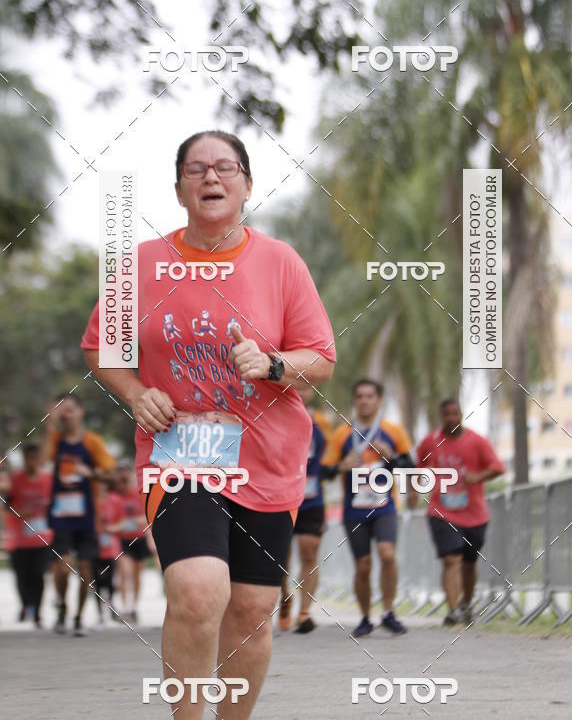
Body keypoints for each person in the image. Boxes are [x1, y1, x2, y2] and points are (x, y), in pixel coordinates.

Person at [81, 130, 336, 718]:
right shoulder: (140, 264)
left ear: (247, 184)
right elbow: (101, 347)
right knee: (197, 593)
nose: (211, 179)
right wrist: (136, 391)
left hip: (266, 461)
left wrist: (273, 364)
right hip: (179, 454)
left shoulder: (280, 262)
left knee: (249, 612)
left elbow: (320, 359)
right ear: (178, 190)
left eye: (226, 168)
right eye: (196, 170)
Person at [321, 379, 413, 637]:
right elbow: (324, 471)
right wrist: (340, 467)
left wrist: (391, 459)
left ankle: (388, 612)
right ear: (355, 400)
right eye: (360, 396)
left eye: (370, 396)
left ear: (379, 400)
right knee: (362, 565)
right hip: (355, 510)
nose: (364, 401)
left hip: (384, 506)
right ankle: (364, 618)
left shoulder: (392, 431)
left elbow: (411, 467)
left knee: (387, 554)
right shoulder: (342, 434)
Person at [414, 397, 505, 625]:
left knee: (468, 562)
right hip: (442, 512)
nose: (451, 418)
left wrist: (477, 477)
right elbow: (419, 468)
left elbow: (498, 467)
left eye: (455, 413)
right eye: (447, 414)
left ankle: (466, 603)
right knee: (451, 559)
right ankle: (453, 610)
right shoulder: (430, 441)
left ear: (461, 414)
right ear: (441, 417)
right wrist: (416, 490)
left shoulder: (477, 442)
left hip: (475, 514)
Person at [41, 392, 116, 636]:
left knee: (85, 571)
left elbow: (111, 475)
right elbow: (42, 461)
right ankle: (62, 607)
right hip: (62, 517)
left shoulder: (92, 442)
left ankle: (78, 617)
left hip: (87, 518)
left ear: (80, 412)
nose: (66, 414)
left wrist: (90, 474)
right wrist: (49, 424)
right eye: (61, 410)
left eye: (70, 409)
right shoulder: (54, 439)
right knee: (63, 568)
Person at [278, 386, 331, 634]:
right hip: (281, 498)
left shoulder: (323, 422)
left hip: (312, 500)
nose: (303, 389)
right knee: (280, 560)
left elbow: (331, 458)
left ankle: (304, 612)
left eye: (308, 385)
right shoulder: (275, 412)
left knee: (309, 553)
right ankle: (284, 596)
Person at [4, 443, 53, 627]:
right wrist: (17, 512)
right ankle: (26, 605)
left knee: (38, 575)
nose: (32, 461)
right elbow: (4, 506)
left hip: (42, 538)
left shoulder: (48, 479)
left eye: (35, 456)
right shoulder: (14, 480)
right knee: (22, 577)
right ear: (24, 458)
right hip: (18, 541)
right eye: (28, 457)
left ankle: (37, 612)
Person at [115, 461, 150, 623]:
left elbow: (149, 515)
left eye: (125, 472)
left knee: (136, 575)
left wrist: (137, 520)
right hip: (123, 539)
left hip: (139, 538)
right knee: (124, 572)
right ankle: (125, 606)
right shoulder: (115, 495)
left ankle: (134, 606)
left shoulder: (140, 492)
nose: (123, 477)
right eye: (120, 473)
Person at [92, 474, 124, 628]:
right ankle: (100, 614)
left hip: (111, 547)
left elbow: (121, 522)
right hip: (94, 547)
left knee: (110, 581)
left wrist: (113, 528)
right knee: (97, 581)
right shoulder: (90, 501)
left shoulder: (115, 500)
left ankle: (111, 606)